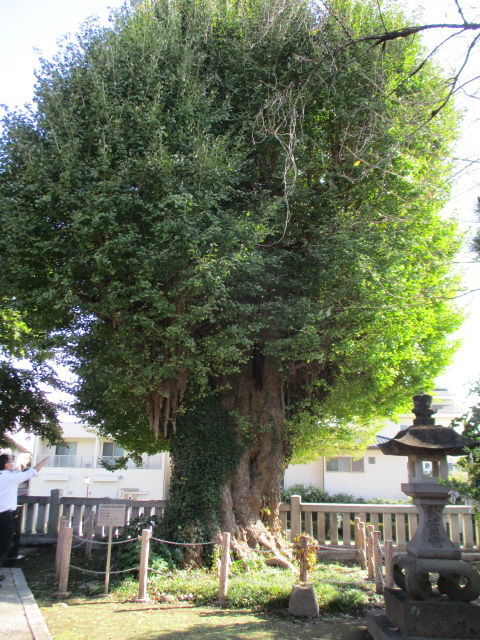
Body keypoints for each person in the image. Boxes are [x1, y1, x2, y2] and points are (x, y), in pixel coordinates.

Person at [0, 453, 49, 582]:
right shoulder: (10, 477)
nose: (13, 464)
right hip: (4, 516)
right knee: (3, 546)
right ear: (6, 465)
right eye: (11, 462)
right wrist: (43, 462)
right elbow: (31, 472)